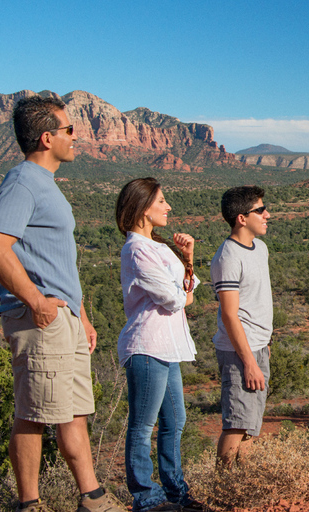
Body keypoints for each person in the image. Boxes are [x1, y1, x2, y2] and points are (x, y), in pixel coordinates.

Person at [0, 96, 125, 512]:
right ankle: (30, 505)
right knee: (33, 414)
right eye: (69, 130)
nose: (76, 136)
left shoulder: (44, 184)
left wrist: (80, 315)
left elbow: (54, 259)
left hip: (63, 319)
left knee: (72, 412)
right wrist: (38, 303)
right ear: (47, 138)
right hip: (39, 319)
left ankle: (93, 499)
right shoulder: (22, 182)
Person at [115, 178, 203, 512]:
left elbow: (188, 294)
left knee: (175, 421)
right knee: (142, 426)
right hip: (147, 345)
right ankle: (146, 497)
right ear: (143, 206)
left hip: (168, 346)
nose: (168, 207)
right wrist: (181, 288)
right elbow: (172, 298)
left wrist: (188, 256)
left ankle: (175, 492)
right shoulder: (136, 249)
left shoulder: (160, 247)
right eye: (162, 201)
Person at [210, 186, 273, 466]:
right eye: (260, 210)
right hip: (239, 353)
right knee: (236, 423)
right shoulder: (228, 257)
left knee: (250, 424)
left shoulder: (261, 248)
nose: (266, 214)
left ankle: (242, 485)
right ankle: (224, 490)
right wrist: (248, 362)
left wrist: (265, 346)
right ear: (241, 218)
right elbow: (229, 315)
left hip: (258, 348)